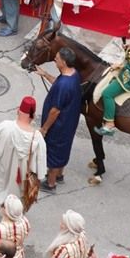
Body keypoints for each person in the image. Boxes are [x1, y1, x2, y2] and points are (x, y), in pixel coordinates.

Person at [39, 47, 84, 192]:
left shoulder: (64, 85)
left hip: (58, 125)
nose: (54, 60)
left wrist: (44, 128)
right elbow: (57, 83)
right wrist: (45, 74)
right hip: (69, 122)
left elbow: (55, 111)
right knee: (63, 148)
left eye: (57, 58)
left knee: (53, 151)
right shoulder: (73, 74)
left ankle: (50, 183)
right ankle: (59, 175)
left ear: (63, 62)